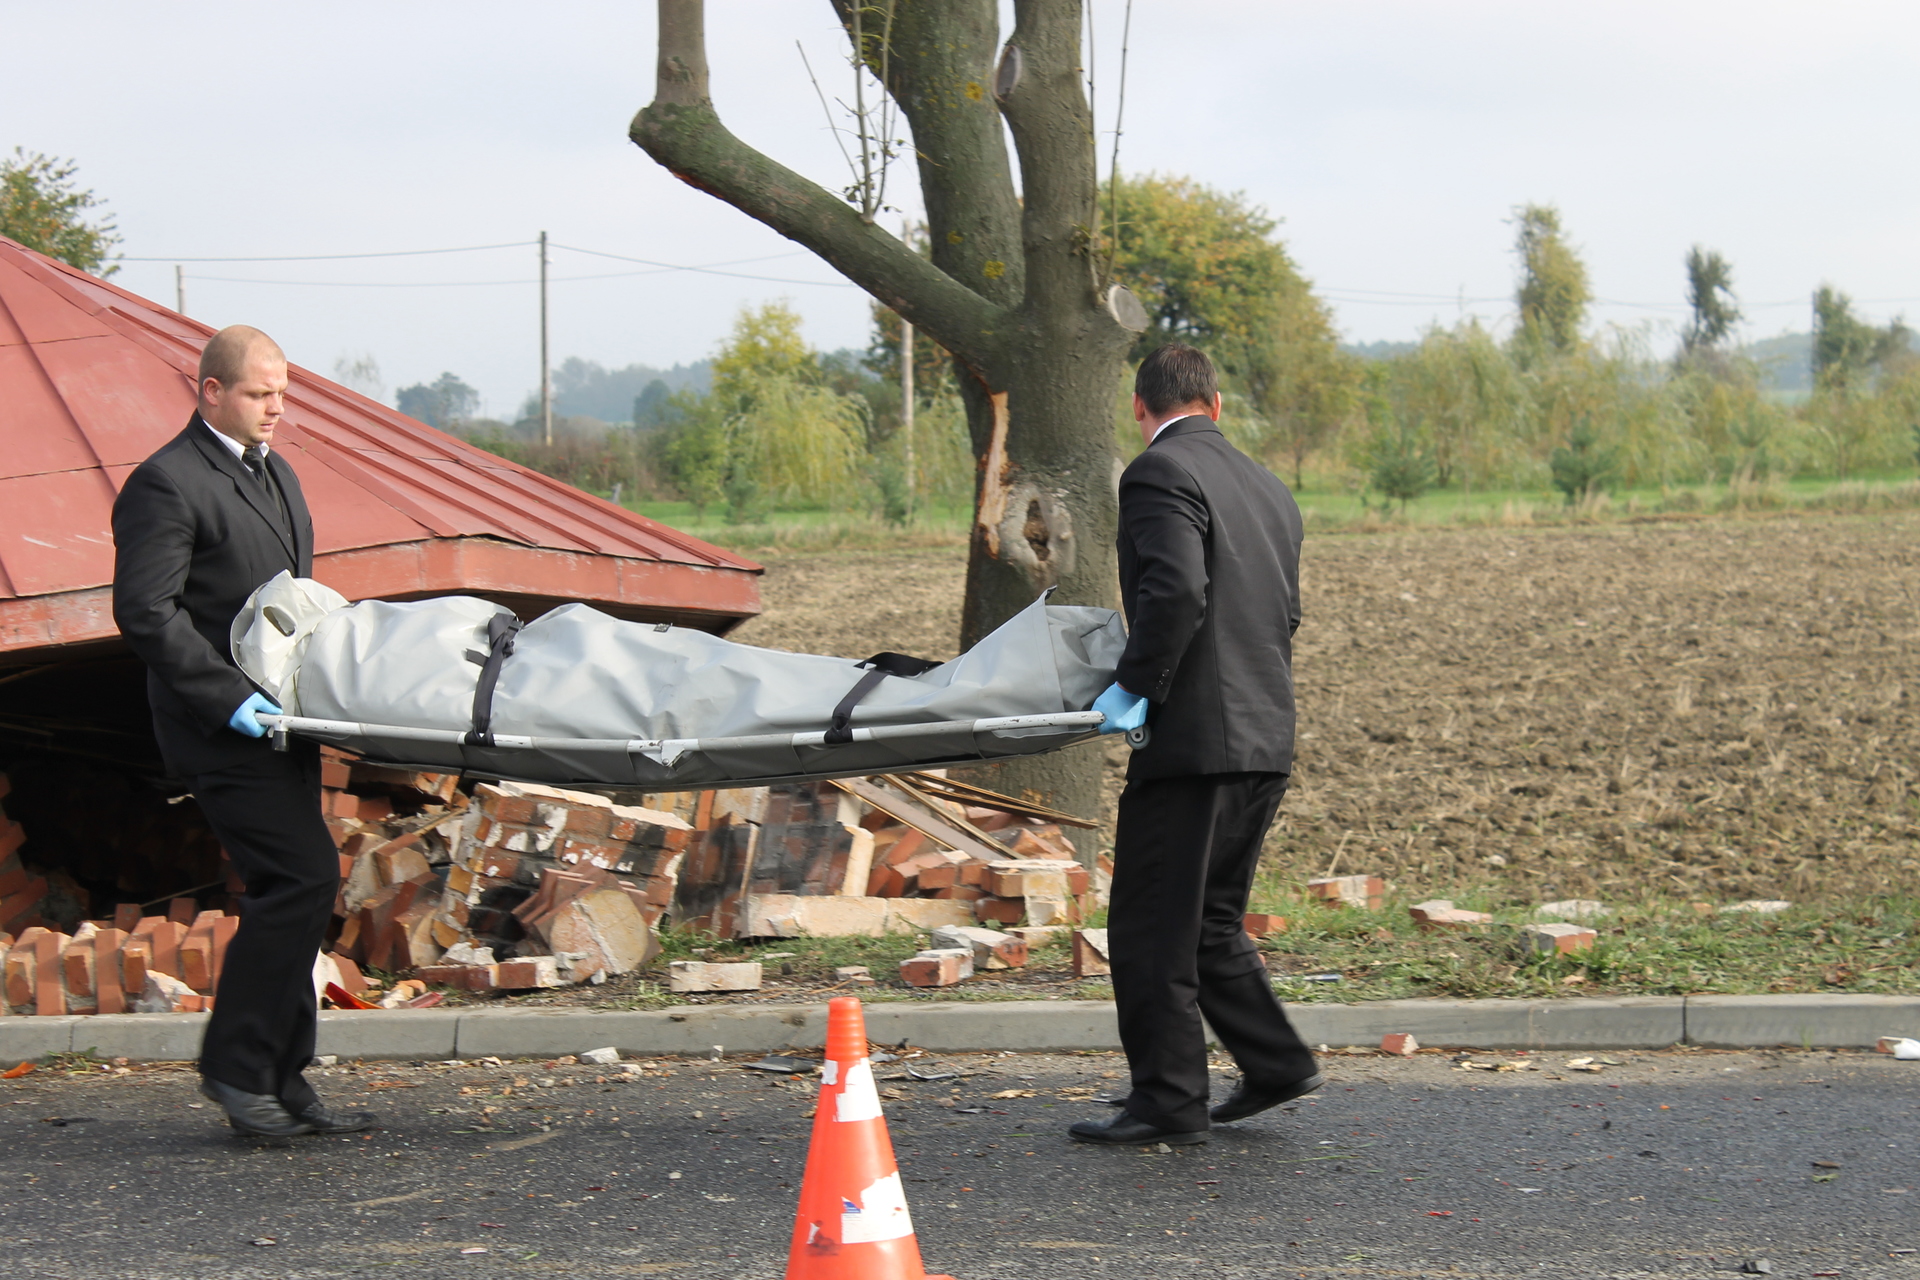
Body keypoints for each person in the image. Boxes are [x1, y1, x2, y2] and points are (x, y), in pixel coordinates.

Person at [112, 326, 373, 1138]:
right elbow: (144, 612)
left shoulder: (278, 474)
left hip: (282, 723)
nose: (276, 408)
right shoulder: (167, 483)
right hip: (217, 728)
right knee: (301, 876)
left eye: (283, 393)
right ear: (211, 391)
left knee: (294, 886)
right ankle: (234, 1067)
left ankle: (283, 1077)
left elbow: (290, 598)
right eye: (262, 393)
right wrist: (226, 698)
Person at [1070, 343, 1323, 1146]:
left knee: (1149, 925)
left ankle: (1168, 1099)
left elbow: (1174, 588)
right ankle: (1276, 1063)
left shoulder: (1156, 474)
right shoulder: (1269, 487)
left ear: (1140, 410)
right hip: (1264, 737)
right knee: (1209, 921)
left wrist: (1137, 684)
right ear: (1216, 406)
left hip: (1193, 742)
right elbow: (1282, 612)